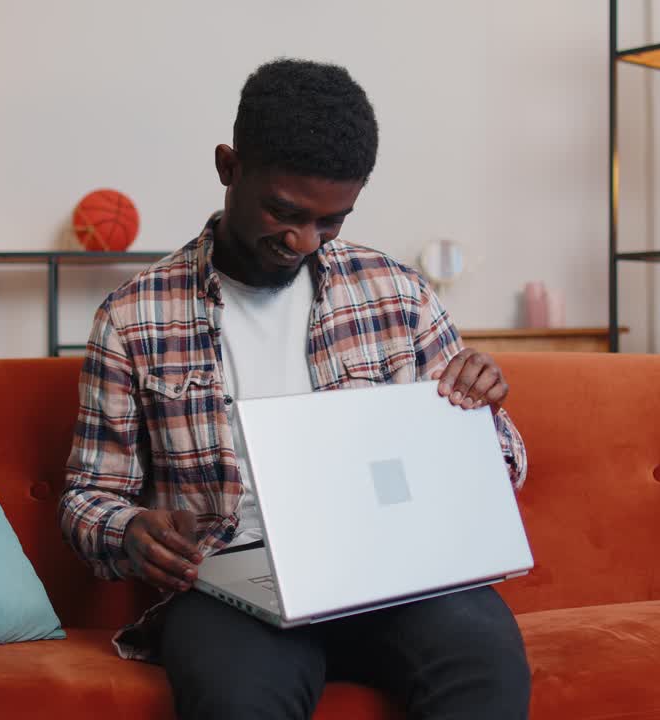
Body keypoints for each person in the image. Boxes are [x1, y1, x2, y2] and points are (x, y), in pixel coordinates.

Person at [61, 58, 530, 720]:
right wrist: (131, 528)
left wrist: (477, 421)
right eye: (284, 211)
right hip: (234, 583)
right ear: (229, 166)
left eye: (329, 221)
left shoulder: (394, 292)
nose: (301, 240)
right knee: (234, 697)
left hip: (396, 574)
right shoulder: (134, 316)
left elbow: (508, 461)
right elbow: (86, 498)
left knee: (485, 661)